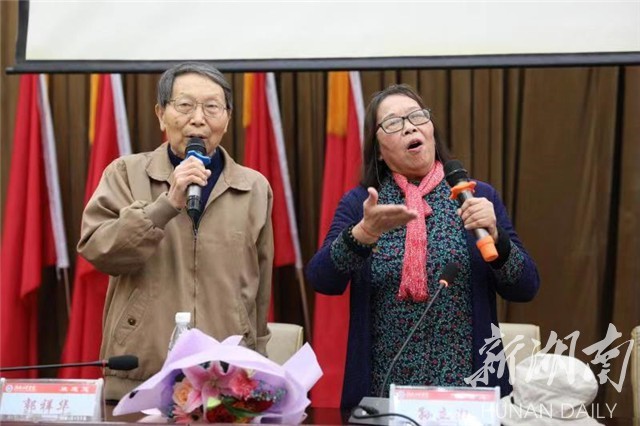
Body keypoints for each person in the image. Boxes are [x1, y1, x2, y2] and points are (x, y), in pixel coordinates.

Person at [306, 84, 540, 408]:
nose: (409, 127)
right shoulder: (362, 204)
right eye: (393, 123)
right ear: (378, 149)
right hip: (384, 394)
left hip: (468, 394)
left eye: (417, 116)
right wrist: (362, 234)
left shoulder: (476, 195)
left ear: (431, 130)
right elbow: (322, 279)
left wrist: (497, 236)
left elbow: (525, 287)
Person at [77, 62, 274, 401]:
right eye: (184, 105)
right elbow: (99, 250)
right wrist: (166, 204)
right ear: (161, 114)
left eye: (212, 107)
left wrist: (256, 367)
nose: (198, 118)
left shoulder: (252, 187)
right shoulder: (126, 173)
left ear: (227, 118)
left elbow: (260, 288)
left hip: (224, 380)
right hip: (140, 374)